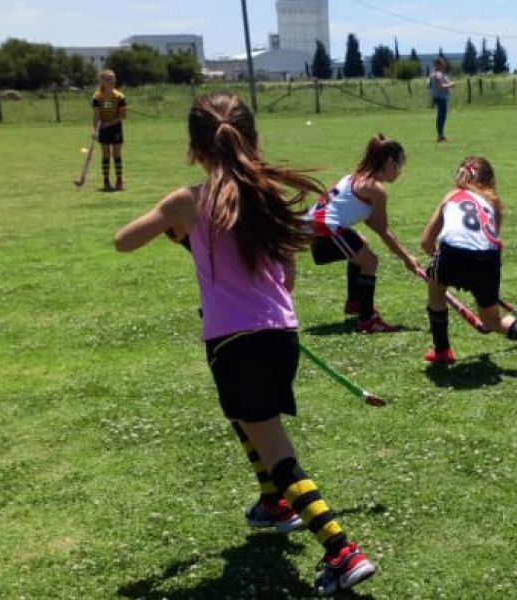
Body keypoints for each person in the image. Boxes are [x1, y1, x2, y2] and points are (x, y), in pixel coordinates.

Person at [113, 93, 376, 596]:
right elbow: (288, 275)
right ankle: (272, 503)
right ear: (252, 140)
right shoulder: (266, 197)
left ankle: (342, 551)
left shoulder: (186, 201)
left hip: (235, 342)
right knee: (248, 419)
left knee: (277, 449)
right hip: (281, 336)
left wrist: (176, 221)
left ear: (193, 147)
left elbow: (124, 240)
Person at [420, 156, 517, 380]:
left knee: (435, 285)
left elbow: (426, 242)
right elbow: (486, 241)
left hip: (453, 253)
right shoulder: (493, 204)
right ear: (489, 180)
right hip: (489, 259)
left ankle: (442, 350)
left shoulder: (452, 196)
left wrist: (444, 267)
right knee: (492, 321)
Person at [307, 134, 420, 332]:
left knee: (362, 244)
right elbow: (383, 231)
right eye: (399, 165)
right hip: (324, 228)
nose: (399, 172)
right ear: (389, 162)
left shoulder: (356, 176)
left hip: (316, 226)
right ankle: (367, 320)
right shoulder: (375, 189)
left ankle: (356, 302)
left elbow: (372, 224)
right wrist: (407, 258)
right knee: (370, 261)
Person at [92, 69, 126, 191]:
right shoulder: (97, 97)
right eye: (107, 79)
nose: (111, 81)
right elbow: (96, 115)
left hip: (115, 126)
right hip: (103, 128)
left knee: (116, 153)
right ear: (102, 81)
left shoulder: (119, 97)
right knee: (105, 154)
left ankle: (119, 180)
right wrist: (95, 130)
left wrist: (110, 123)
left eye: (112, 78)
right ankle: (106, 181)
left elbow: (122, 115)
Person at [430, 57, 455, 142]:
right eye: (442, 64)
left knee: (441, 117)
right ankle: (440, 136)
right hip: (441, 98)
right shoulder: (438, 74)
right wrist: (450, 85)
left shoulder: (436, 74)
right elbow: (440, 86)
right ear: (438, 65)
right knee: (441, 117)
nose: (444, 65)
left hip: (440, 98)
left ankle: (441, 135)